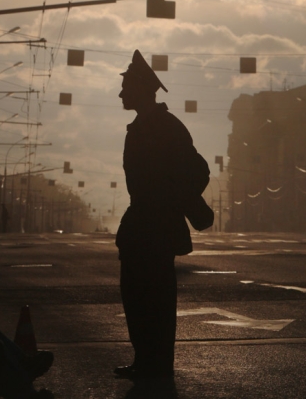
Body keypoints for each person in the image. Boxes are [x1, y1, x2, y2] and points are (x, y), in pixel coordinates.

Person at [114, 50, 202, 380]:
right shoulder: (145, 125)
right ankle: (146, 360)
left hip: (156, 227)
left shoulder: (164, 126)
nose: (121, 93)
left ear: (141, 89)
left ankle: (156, 364)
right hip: (143, 226)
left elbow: (197, 170)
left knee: (155, 302)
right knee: (137, 298)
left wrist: (172, 200)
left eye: (126, 87)